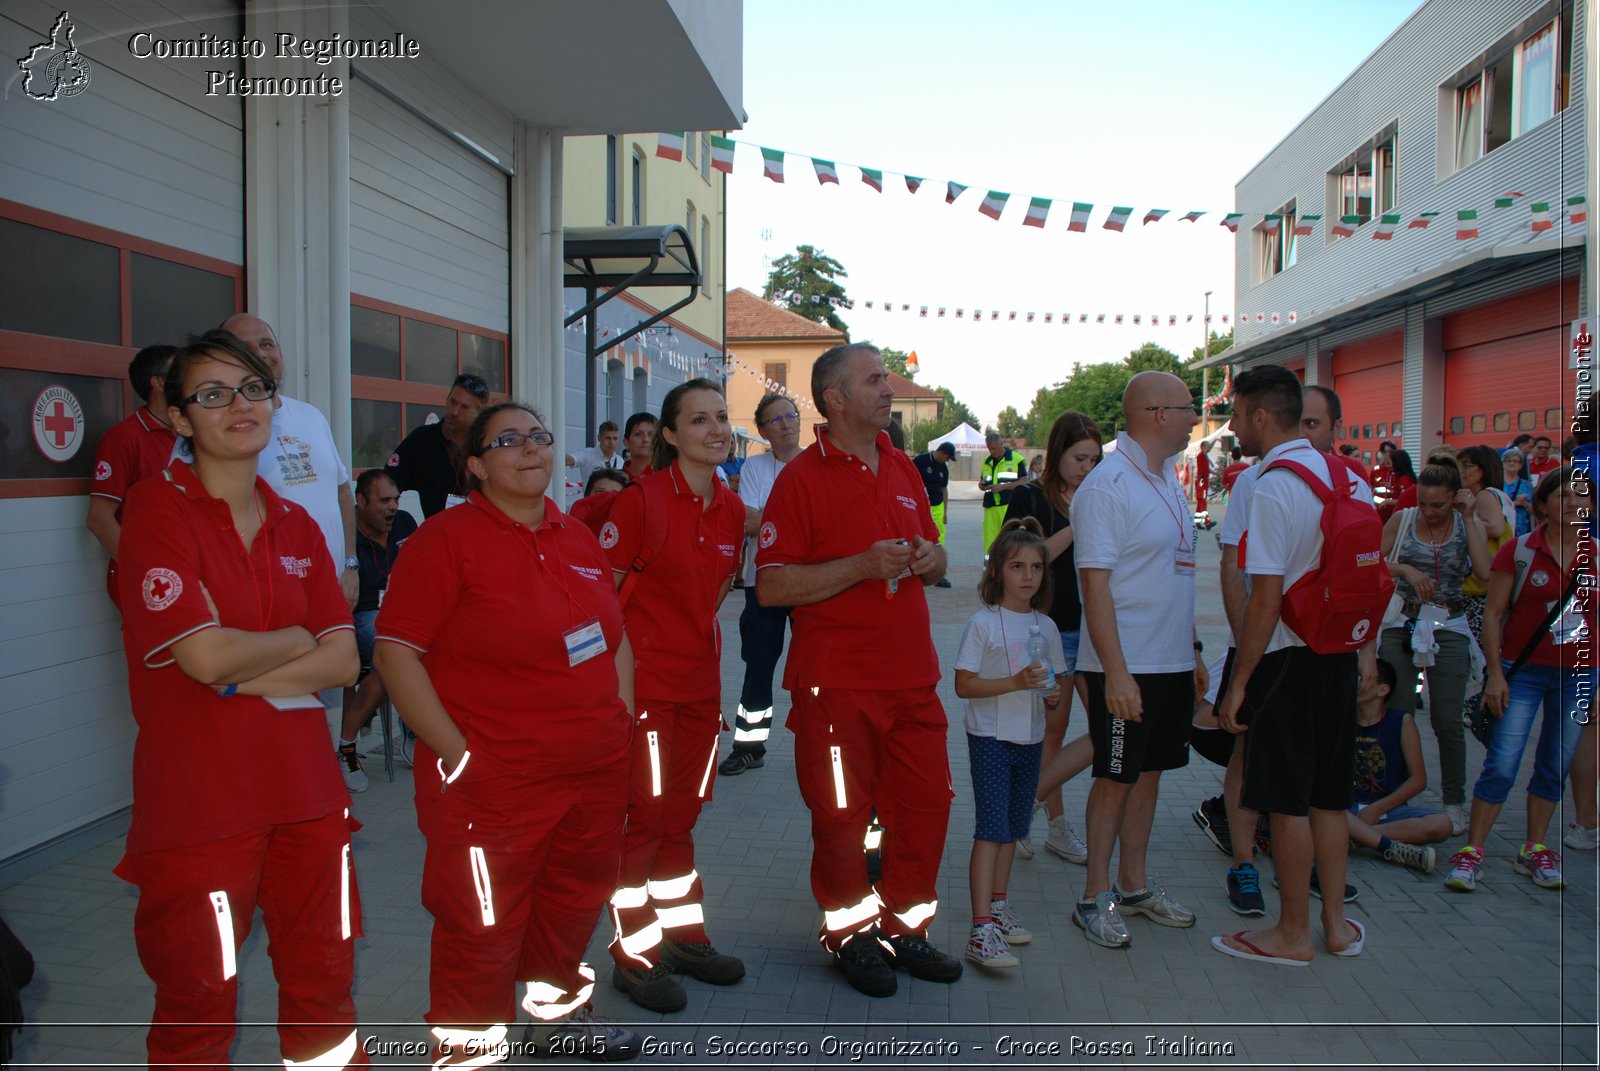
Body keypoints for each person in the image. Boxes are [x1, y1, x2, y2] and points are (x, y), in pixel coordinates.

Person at [114, 334, 363, 1067]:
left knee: (325, 989)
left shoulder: (296, 523)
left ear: (274, 405)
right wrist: (294, 637)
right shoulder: (157, 511)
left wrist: (234, 669)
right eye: (212, 394)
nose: (238, 406)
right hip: (203, 808)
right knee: (198, 1001)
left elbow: (345, 660)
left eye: (252, 389)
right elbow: (202, 653)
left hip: (309, 798)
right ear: (180, 419)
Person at [374, 402, 641, 1062]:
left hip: (591, 776)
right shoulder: (445, 541)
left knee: (572, 903)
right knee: (481, 924)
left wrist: (621, 725)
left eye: (541, 436)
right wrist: (458, 754)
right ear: (474, 464)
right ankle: (468, 1053)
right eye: (509, 440)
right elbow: (396, 653)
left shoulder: (575, 535)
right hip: (493, 788)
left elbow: (615, 636)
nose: (531, 449)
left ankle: (557, 1020)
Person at [756, 342, 960, 998]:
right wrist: (861, 566)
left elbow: (931, 553)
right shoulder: (802, 479)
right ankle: (849, 933)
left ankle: (905, 926)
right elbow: (773, 588)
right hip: (835, 685)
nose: (887, 389)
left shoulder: (901, 466)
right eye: (874, 380)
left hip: (912, 678)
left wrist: (929, 559)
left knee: (926, 806)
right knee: (841, 816)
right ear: (836, 398)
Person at [1212, 364, 1375, 967]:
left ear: (1259, 415)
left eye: (1235, 414)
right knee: (1329, 799)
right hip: (1336, 653)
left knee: (1285, 802)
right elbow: (1366, 579)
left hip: (1286, 657)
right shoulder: (1348, 477)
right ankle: (1335, 925)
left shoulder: (1273, 484)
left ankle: (1291, 933)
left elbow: (1266, 597)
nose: (1232, 427)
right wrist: (1365, 654)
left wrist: (1242, 681)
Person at [601, 379, 746, 1014]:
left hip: (699, 692)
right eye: (698, 420)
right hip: (648, 696)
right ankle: (633, 955)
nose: (716, 429)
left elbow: (711, 599)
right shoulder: (640, 502)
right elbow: (600, 604)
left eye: (721, 417)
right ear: (669, 435)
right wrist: (627, 693)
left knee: (681, 820)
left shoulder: (733, 508)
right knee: (647, 823)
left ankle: (683, 937)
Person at [1070, 371, 1204, 949]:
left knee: (1149, 775)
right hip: (1125, 666)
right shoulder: (1108, 485)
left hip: (1169, 661)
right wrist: (1116, 671)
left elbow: (1176, 574)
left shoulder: (1167, 479)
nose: (1195, 417)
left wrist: (1192, 649)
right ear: (1154, 412)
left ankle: (1133, 884)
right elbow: (1094, 585)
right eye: (1188, 406)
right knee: (1115, 778)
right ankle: (1093, 896)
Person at [1446, 466, 1596, 893]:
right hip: (1523, 671)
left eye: (1581, 496)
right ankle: (1472, 852)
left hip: (1579, 675)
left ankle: (1534, 849)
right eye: (1563, 496)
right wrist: (1495, 674)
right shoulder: (1520, 551)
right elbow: (1493, 614)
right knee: (1502, 763)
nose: (1573, 503)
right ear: (1543, 504)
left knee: (1555, 765)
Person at [953, 518, 1065, 969]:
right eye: (1017, 566)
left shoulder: (1048, 627)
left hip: (1030, 738)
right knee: (992, 829)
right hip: (991, 738)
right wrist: (1015, 681)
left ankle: (998, 906)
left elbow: (1052, 691)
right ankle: (981, 928)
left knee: (1015, 829)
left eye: (1036, 568)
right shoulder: (983, 623)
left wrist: (1051, 695)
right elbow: (963, 685)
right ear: (997, 570)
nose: (1028, 576)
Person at [1005, 411, 1102, 864]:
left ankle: (1030, 811)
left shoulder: (1102, 496)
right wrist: (1078, 523)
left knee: (1111, 727)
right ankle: (1056, 827)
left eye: (1094, 459)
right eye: (1079, 458)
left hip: (1099, 632)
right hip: (1049, 632)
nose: (1087, 467)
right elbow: (1026, 558)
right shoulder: (1031, 498)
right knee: (1051, 734)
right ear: (1058, 453)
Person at [1378, 460, 1492, 835]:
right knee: (1398, 711)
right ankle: (1392, 795)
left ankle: (1453, 801)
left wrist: (1470, 517)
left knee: (1447, 719)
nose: (1429, 511)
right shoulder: (1404, 519)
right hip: (1403, 621)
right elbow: (1373, 562)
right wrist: (1405, 570)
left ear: (1453, 499)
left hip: (1449, 623)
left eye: (1438, 505)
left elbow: (1485, 572)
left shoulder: (1464, 523)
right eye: (1424, 502)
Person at [216, 315, 359, 608]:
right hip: (269, 599)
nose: (261, 354)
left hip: (332, 591)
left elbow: (342, 491)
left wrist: (350, 564)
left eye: (267, 344)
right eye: (246, 347)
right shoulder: (219, 428)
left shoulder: (311, 416)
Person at [721, 393, 804, 777]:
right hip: (763, 582)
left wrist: (772, 520)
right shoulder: (755, 467)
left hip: (811, 585)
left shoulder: (818, 465)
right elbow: (748, 522)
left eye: (790, 416)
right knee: (758, 667)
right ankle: (749, 746)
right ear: (762, 430)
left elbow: (763, 519)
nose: (786, 424)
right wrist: (801, 524)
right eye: (775, 420)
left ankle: (818, 744)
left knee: (813, 671)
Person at [333, 470, 419, 793]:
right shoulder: (345, 533)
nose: (393, 507)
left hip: (403, 613)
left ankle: (416, 727)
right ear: (360, 501)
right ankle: (348, 748)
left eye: (396, 499)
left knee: (439, 646)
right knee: (391, 657)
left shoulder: (406, 523)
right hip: (361, 616)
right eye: (384, 500)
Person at [87, 344, 178, 605]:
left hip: (191, 569)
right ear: (158, 382)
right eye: (181, 370)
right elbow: (98, 519)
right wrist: (144, 572)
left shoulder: (191, 435)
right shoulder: (124, 438)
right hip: (152, 581)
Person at [1347, 660, 1452, 873]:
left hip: (1388, 809)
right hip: (1346, 809)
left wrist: (1378, 808)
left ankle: (1357, 836)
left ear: (1382, 689)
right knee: (1315, 812)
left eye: (1360, 679)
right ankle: (1387, 846)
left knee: (1442, 825)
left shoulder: (1401, 721)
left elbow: (1418, 780)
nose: (1353, 684)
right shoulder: (1342, 719)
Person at [1457, 445, 1515, 740]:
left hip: (1482, 586)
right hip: (1492, 584)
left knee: (1477, 654)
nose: (1462, 471)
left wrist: (1465, 517)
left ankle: (1476, 711)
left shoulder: (1484, 496)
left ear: (1482, 468)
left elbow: (1494, 527)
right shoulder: (1499, 494)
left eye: (1467, 465)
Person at [385, 373, 491, 517]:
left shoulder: (488, 446)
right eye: (453, 402)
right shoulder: (422, 440)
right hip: (438, 535)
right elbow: (386, 486)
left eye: (464, 407)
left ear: (480, 414)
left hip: (481, 534)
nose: (454, 412)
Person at [913, 441, 958, 582]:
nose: (947, 460)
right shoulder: (920, 461)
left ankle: (938, 572)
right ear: (942, 452)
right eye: (948, 457)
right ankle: (916, 567)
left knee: (938, 537)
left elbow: (944, 489)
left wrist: (945, 512)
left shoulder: (943, 468)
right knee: (917, 536)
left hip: (937, 506)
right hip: (920, 506)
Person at [978, 431, 1027, 553]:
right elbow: (983, 481)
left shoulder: (1016, 459)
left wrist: (1002, 487)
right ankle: (990, 567)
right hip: (990, 507)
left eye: (994, 448)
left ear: (1001, 444)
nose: (992, 451)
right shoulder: (986, 462)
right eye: (989, 449)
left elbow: (1024, 481)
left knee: (1010, 540)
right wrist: (982, 486)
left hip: (1008, 505)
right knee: (989, 541)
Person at [567, 467, 630, 535]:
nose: (607, 497)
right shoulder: (572, 529)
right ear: (587, 494)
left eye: (614, 495)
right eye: (600, 492)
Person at [1502, 446, 1535, 536]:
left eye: (1515, 461)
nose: (1511, 463)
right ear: (1503, 463)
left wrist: (1525, 504)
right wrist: (1515, 503)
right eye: (1508, 460)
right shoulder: (1496, 483)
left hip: (1520, 531)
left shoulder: (1526, 485)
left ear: (1520, 465)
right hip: (1501, 529)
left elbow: (1533, 511)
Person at [621, 411, 656, 480]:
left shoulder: (668, 477)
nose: (646, 439)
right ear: (626, 442)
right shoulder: (615, 480)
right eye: (638, 434)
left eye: (651, 434)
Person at [1194, 440, 1212, 514]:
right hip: (1202, 480)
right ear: (1203, 447)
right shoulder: (1201, 455)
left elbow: (1207, 469)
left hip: (1204, 479)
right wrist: (1216, 440)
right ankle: (1206, 521)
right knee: (1203, 500)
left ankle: (1197, 522)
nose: (1209, 448)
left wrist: (1217, 474)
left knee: (1201, 501)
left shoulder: (1204, 456)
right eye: (1207, 446)